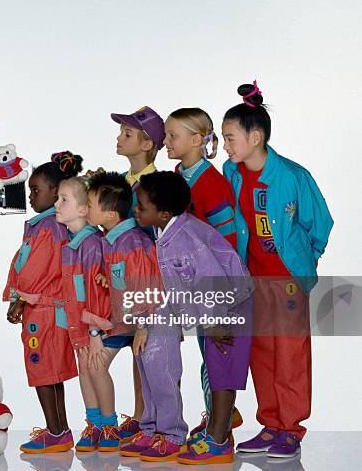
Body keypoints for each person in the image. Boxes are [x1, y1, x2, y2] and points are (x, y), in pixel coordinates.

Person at [222, 81, 333, 458]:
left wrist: (304, 261)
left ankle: (291, 428)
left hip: (285, 281)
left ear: (255, 137)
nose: (226, 145)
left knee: (289, 353)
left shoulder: (291, 176)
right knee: (261, 352)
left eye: (230, 137)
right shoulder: (232, 172)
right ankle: (271, 426)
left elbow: (321, 224)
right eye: (223, 138)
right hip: (252, 279)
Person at [128, 171, 252, 464]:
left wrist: (214, 321)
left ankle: (219, 441)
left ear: (164, 213)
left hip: (230, 305)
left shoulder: (186, 238)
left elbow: (211, 279)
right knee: (215, 366)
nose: (136, 210)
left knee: (222, 370)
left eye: (142, 206)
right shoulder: (165, 234)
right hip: (215, 308)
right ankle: (214, 434)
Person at [164, 107, 243, 439]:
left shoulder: (211, 183)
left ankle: (219, 428)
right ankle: (218, 418)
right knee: (205, 350)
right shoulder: (177, 177)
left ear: (197, 140)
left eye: (172, 136)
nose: (165, 141)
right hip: (191, 282)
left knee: (217, 352)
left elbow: (227, 241)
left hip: (216, 283)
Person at [3, 151, 83, 453]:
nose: (31, 196)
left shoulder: (48, 228)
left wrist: (20, 299)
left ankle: (56, 431)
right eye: (29, 190)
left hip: (43, 309)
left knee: (42, 369)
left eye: (36, 190)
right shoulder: (48, 225)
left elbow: (36, 269)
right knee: (52, 371)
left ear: (55, 192)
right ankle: (59, 430)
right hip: (50, 307)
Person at [85, 171, 158, 452]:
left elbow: (145, 285)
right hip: (121, 320)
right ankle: (108, 426)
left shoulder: (133, 243)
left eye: (90, 205)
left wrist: (142, 325)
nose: (86, 210)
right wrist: (109, 279)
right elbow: (123, 277)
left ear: (110, 214)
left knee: (150, 378)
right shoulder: (112, 239)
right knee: (96, 365)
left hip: (139, 322)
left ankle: (114, 426)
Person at [109, 105, 166, 440]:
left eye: (127, 134)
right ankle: (142, 413)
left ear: (147, 144)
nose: (119, 138)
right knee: (136, 345)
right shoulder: (120, 184)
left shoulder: (157, 186)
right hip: (124, 279)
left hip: (151, 279)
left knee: (154, 350)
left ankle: (160, 418)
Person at [51, 177, 112, 453]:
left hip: (94, 326)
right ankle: (94, 424)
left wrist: (95, 332)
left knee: (95, 369)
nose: (57, 204)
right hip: (78, 325)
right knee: (84, 371)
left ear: (84, 210)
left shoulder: (91, 244)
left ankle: (109, 426)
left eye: (64, 199)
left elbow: (96, 293)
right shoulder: (69, 244)